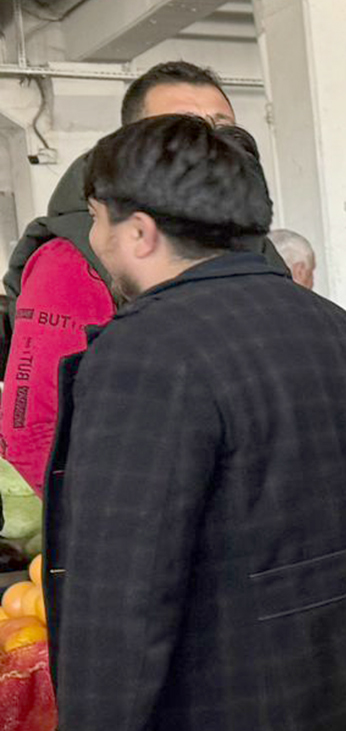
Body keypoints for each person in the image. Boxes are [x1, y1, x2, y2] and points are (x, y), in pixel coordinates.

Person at [44, 115, 346, 731]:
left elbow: (121, 598)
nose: (95, 244)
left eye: (97, 222)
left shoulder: (146, 353)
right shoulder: (343, 331)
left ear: (140, 231)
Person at [1, 60, 261, 490]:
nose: (205, 142)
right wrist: (128, 529)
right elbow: (32, 432)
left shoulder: (253, 246)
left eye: (220, 126)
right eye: (179, 128)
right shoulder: (74, 258)